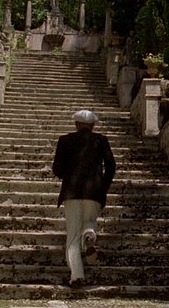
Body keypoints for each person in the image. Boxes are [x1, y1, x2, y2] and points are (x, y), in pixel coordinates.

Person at [52, 109, 116, 288]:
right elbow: (111, 165)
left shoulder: (64, 140)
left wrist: (69, 174)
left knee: (72, 235)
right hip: (94, 191)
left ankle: (77, 276)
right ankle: (89, 233)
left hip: (71, 192)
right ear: (93, 125)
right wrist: (103, 185)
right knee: (89, 221)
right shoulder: (101, 140)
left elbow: (57, 169)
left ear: (76, 124)